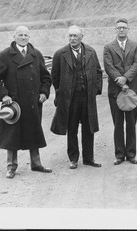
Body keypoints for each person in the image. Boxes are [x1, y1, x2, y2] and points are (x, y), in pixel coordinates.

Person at [0, 25, 52, 179]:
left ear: (29, 37)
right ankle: (11, 167)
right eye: (20, 35)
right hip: (13, 104)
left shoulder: (36, 54)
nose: (23, 37)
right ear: (14, 36)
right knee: (12, 136)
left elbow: (46, 77)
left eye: (26, 35)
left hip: (32, 102)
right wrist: (4, 95)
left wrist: (44, 93)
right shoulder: (5, 55)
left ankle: (36, 164)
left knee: (34, 131)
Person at [50, 25, 103, 169]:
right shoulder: (60, 54)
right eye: (70, 36)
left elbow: (98, 71)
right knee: (71, 129)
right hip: (70, 99)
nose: (72, 38)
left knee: (88, 128)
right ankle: (73, 158)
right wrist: (61, 93)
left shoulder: (91, 52)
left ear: (81, 37)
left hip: (87, 97)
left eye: (75, 36)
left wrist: (96, 90)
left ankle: (88, 158)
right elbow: (54, 76)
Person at [103, 18, 137, 165]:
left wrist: (125, 78)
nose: (121, 30)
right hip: (115, 90)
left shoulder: (136, 46)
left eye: (124, 27)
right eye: (119, 27)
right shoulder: (108, 47)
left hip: (132, 89)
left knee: (131, 123)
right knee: (118, 123)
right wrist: (120, 81)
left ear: (128, 29)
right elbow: (108, 66)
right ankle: (119, 155)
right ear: (115, 29)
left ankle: (131, 154)